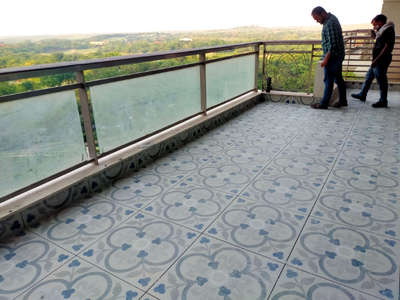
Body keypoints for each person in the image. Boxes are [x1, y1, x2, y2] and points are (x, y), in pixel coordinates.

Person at [351, 14, 395, 108]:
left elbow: (386, 47)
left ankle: (383, 101)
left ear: (379, 21)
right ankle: (362, 94)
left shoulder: (388, 30)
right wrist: (374, 35)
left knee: (382, 81)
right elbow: (379, 42)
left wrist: (376, 60)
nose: (374, 26)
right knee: (369, 77)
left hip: (381, 59)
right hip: (377, 60)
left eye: (374, 23)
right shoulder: (382, 29)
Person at [311, 6, 347, 109]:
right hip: (336, 56)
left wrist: (326, 59)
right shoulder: (330, 20)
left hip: (333, 57)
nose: (317, 21)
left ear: (322, 13)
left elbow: (333, 44)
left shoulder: (330, 23)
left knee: (329, 80)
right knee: (338, 79)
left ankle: (324, 104)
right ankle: (343, 100)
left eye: (317, 18)